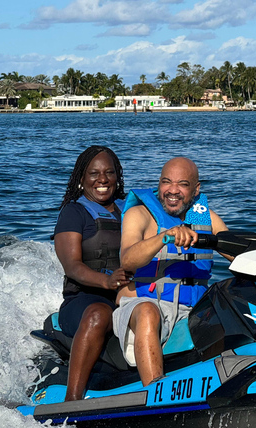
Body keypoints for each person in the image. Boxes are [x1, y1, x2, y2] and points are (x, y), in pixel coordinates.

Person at [113, 157, 229, 386]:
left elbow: (237, 253)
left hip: (193, 308)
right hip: (145, 303)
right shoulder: (140, 215)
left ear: (196, 189)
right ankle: (155, 389)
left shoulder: (208, 219)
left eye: (182, 184)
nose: (172, 190)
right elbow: (127, 260)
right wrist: (163, 237)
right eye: (166, 182)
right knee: (147, 311)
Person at [54, 146, 133, 401]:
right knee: (99, 314)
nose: (102, 179)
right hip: (85, 301)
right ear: (81, 179)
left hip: (129, 294)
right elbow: (72, 266)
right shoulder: (73, 213)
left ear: (117, 177)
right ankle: (72, 401)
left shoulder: (132, 210)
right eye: (94, 173)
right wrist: (106, 281)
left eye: (109, 172)